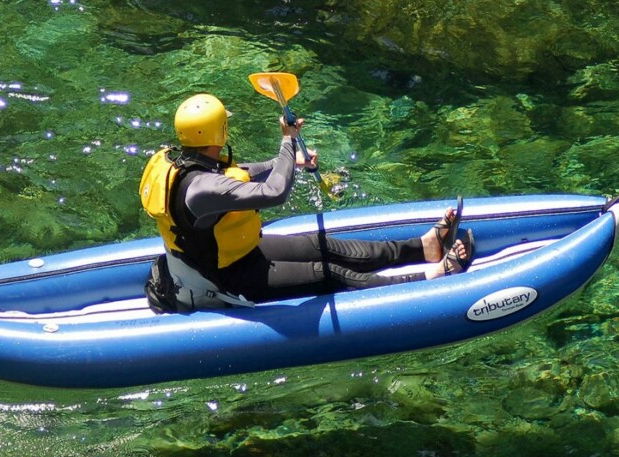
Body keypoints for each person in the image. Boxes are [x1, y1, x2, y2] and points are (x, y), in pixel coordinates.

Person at [142, 93, 470, 311]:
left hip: (242, 253)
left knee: (324, 247)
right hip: (226, 278)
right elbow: (274, 193)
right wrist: (287, 141)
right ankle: (429, 278)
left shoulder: (189, 163)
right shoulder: (201, 189)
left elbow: (241, 173)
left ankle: (423, 249)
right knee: (329, 274)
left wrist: (291, 160)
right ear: (220, 131)